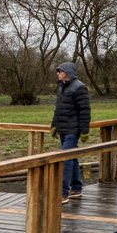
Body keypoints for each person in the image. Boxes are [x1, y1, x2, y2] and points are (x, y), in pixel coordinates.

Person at [50, 62, 91, 205]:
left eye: (60, 71)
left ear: (67, 72)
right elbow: (58, 109)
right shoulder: (62, 87)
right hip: (63, 128)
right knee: (71, 158)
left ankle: (62, 193)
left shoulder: (80, 87)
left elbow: (85, 111)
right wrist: (54, 125)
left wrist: (84, 131)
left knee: (65, 159)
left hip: (73, 130)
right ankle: (76, 188)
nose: (58, 73)